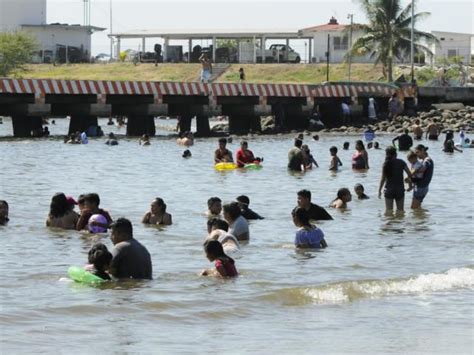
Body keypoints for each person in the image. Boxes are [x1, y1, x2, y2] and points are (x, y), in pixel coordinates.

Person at [378, 146, 412, 212]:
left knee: (388, 211)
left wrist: (379, 190)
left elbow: (383, 179)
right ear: (395, 154)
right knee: (400, 211)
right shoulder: (401, 162)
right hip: (399, 190)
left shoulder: (385, 164)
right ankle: (400, 222)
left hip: (389, 190)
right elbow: (410, 175)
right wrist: (410, 186)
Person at [411, 144, 434, 209]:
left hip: (421, 187)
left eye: (417, 152)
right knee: (417, 210)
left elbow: (422, 170)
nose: (416, 155)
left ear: (423, 151)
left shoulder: (427, 160)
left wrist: (411, 173)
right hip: (422, 186)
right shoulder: (424, 160)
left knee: (413, 209)